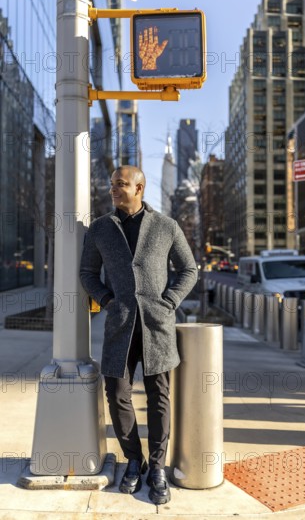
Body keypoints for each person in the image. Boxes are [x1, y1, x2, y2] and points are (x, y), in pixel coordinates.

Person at [79, 165, 197, 504]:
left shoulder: (166, 226)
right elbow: (87, 272)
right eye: (112, 183)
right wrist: (105, 299)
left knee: (158, 396)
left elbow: (189, 269)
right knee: (117, 393)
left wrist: (170, 301)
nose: (114, 189)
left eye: (121, 184)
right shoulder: (100, 229)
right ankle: (134, 458)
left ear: (140, 188)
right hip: (120, 324)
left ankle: (157, 466)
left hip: (157, 325)